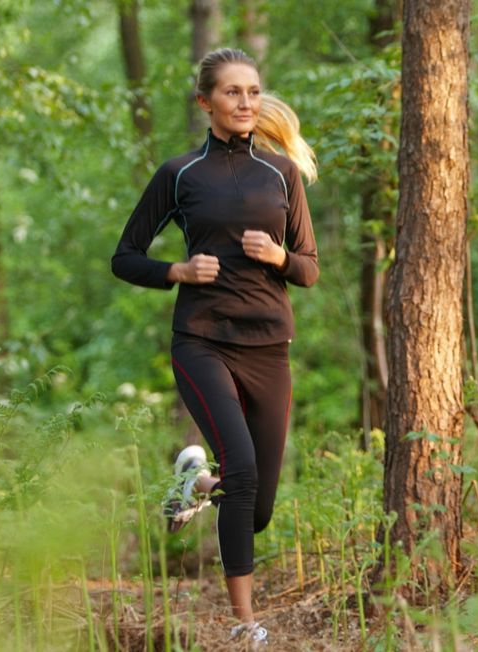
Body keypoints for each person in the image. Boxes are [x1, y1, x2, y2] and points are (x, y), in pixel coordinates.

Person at [111, 47, 319, 647]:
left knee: (255, 509)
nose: (246, 102)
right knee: (246, 472)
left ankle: (194, 479)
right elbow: (125, 257)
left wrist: (280, 256)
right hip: (202, 340)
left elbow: (309, 268)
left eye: (253, 91)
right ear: (206, 102)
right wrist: (176, 271)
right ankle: (244, 622)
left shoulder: (280, 173)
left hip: (269, 344)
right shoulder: (180, 174)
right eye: (232, 92)